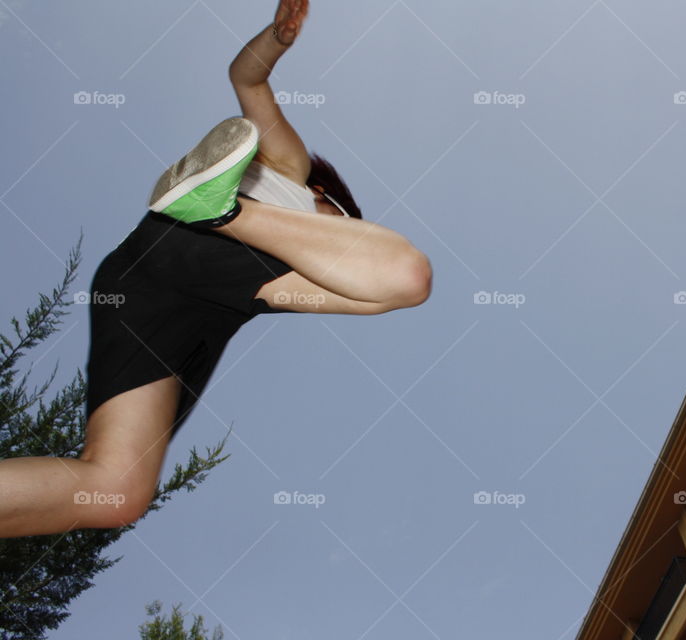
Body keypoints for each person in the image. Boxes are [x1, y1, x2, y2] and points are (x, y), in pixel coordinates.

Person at [0, 0, 432, 538]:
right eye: (341, 225)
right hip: (193, 245)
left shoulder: (287, 278)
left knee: (116, 492)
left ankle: (214, 208)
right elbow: (247, 78)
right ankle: (218, 208)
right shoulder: (292, 171)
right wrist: (276, 38)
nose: (332, 245)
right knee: (406, 275)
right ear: (326, 197)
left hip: (161, 300)